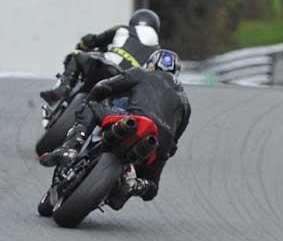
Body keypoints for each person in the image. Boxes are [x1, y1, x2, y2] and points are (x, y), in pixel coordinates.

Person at [39, 50, 191, 207]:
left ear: (151, 64)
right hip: (158, 143)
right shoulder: (185, 102)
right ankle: (135, 185)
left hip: (133, 121)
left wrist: (94, 98)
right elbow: (174, 144)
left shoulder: (141, 73)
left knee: (91, 107)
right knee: (152, 187)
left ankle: (70, 148)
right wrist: (163, 153)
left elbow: (103, 86)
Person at [40, 9, 161, 105]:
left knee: (76, 55)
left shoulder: (124, 29)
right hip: (126, 85)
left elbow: (95, 40)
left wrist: (82, 44)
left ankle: (62, 89)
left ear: (134, 21)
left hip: (107, 66)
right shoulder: (157, 51)